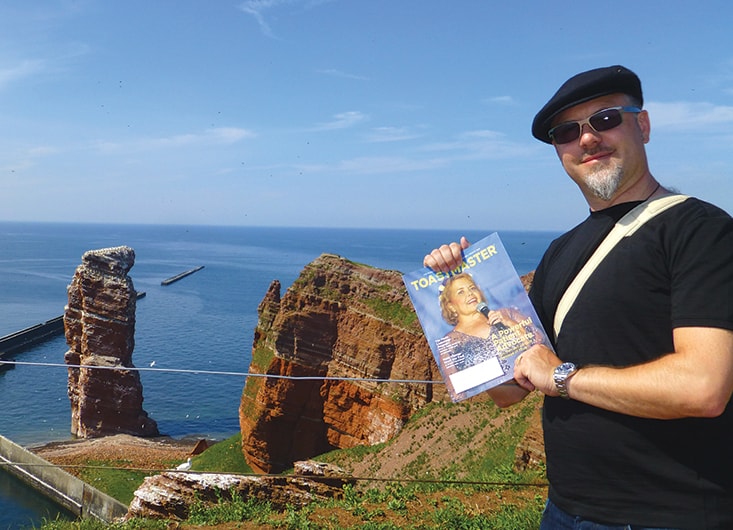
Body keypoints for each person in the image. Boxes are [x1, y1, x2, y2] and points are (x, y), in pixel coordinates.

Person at [423, 65, 733, 529]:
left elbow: (704, 388)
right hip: (564, 511)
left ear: (642, 126)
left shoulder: (699, 230)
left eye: (605, 119)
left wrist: (563, 377)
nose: (586, 139)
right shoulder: (560, 252)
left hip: (671, 514)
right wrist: (454, 291)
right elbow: (510, 390)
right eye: (567, 132)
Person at [436, 273, 542, 399]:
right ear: (450, 306)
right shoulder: (449, 342)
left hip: (538, 386)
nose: (469, 293)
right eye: (460, 292)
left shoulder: (507, 313)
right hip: (493, 405)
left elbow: (539, 340)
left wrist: (510, 323)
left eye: (472, 288)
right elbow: (455, 390)